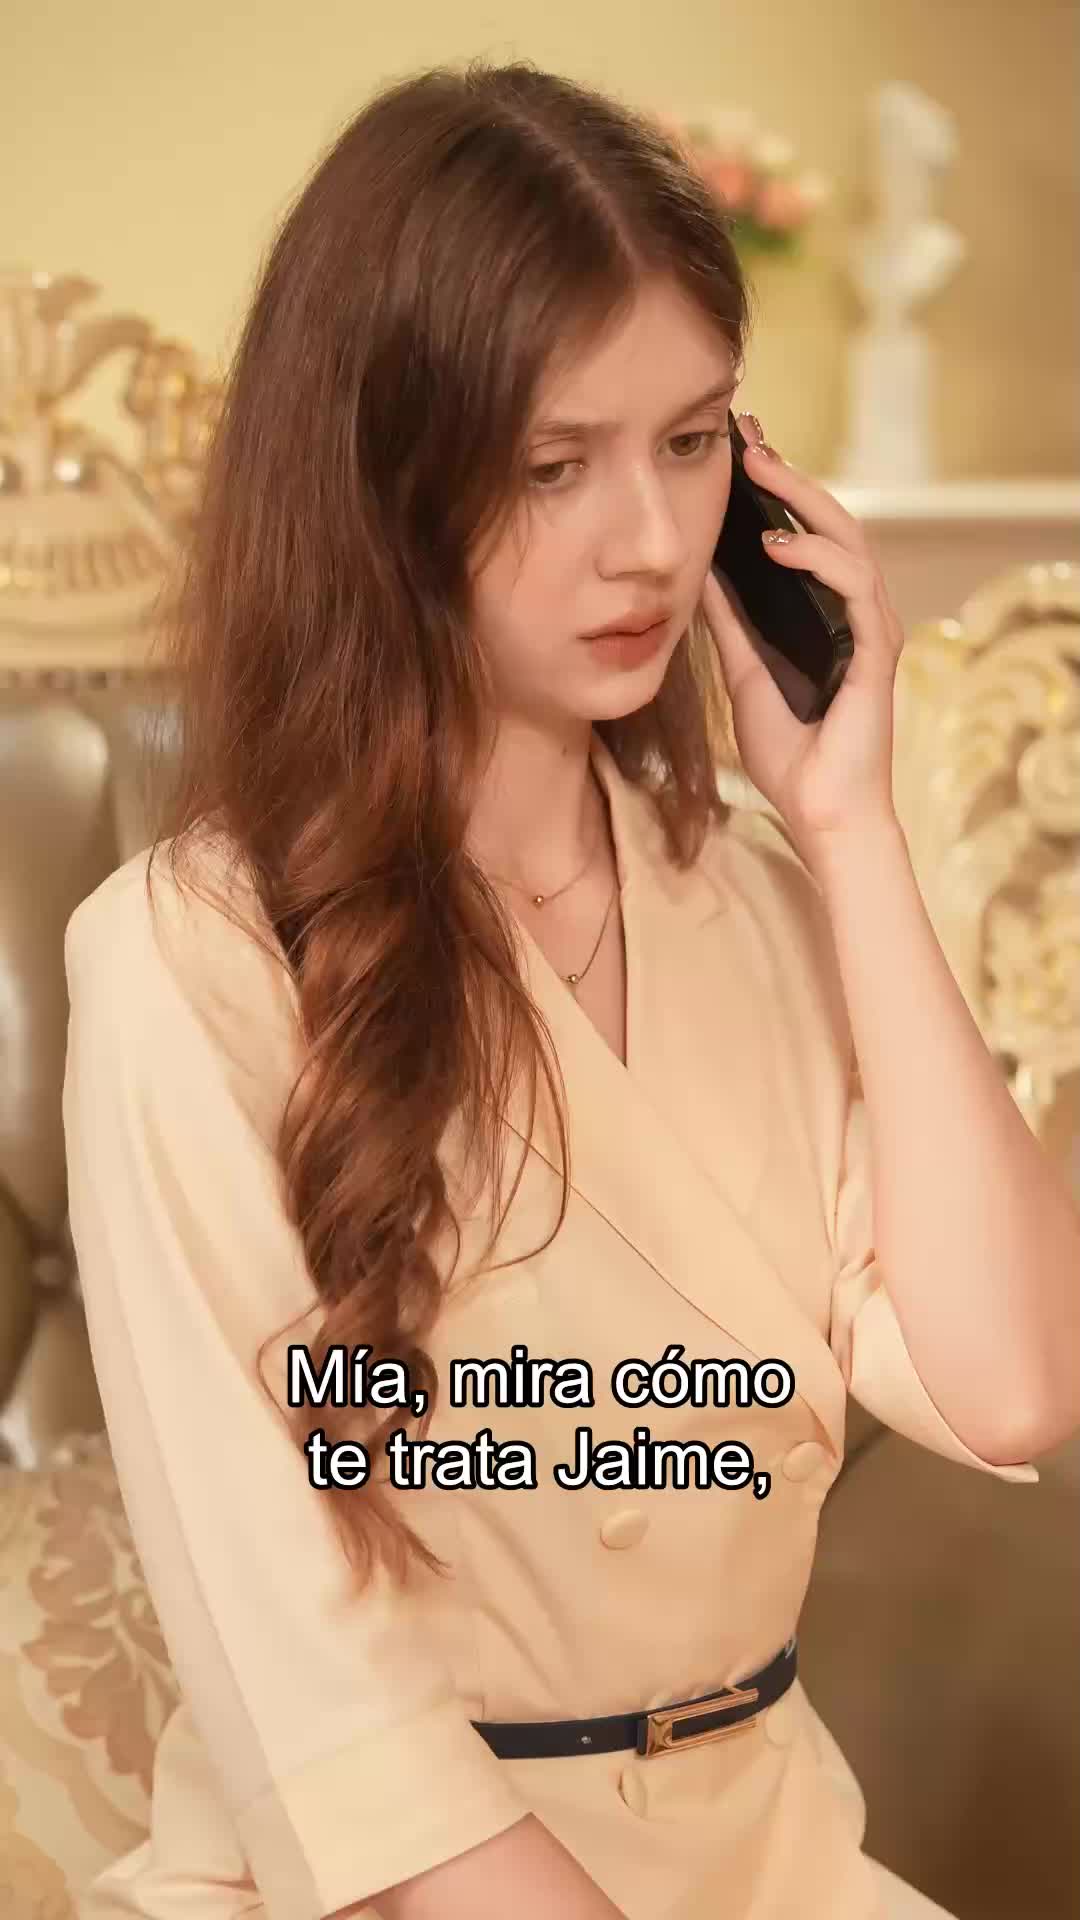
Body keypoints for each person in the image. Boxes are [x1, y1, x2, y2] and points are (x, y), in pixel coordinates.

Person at [61, 57, 1080, 1920]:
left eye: (691, 443)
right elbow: (330, 1728)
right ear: (383, 485)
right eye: (555, 465)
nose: (652, 543)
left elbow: (1014, 1385)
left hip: (771, 1856)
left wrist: (852, 828)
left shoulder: (768, 904)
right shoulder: (184, 959)